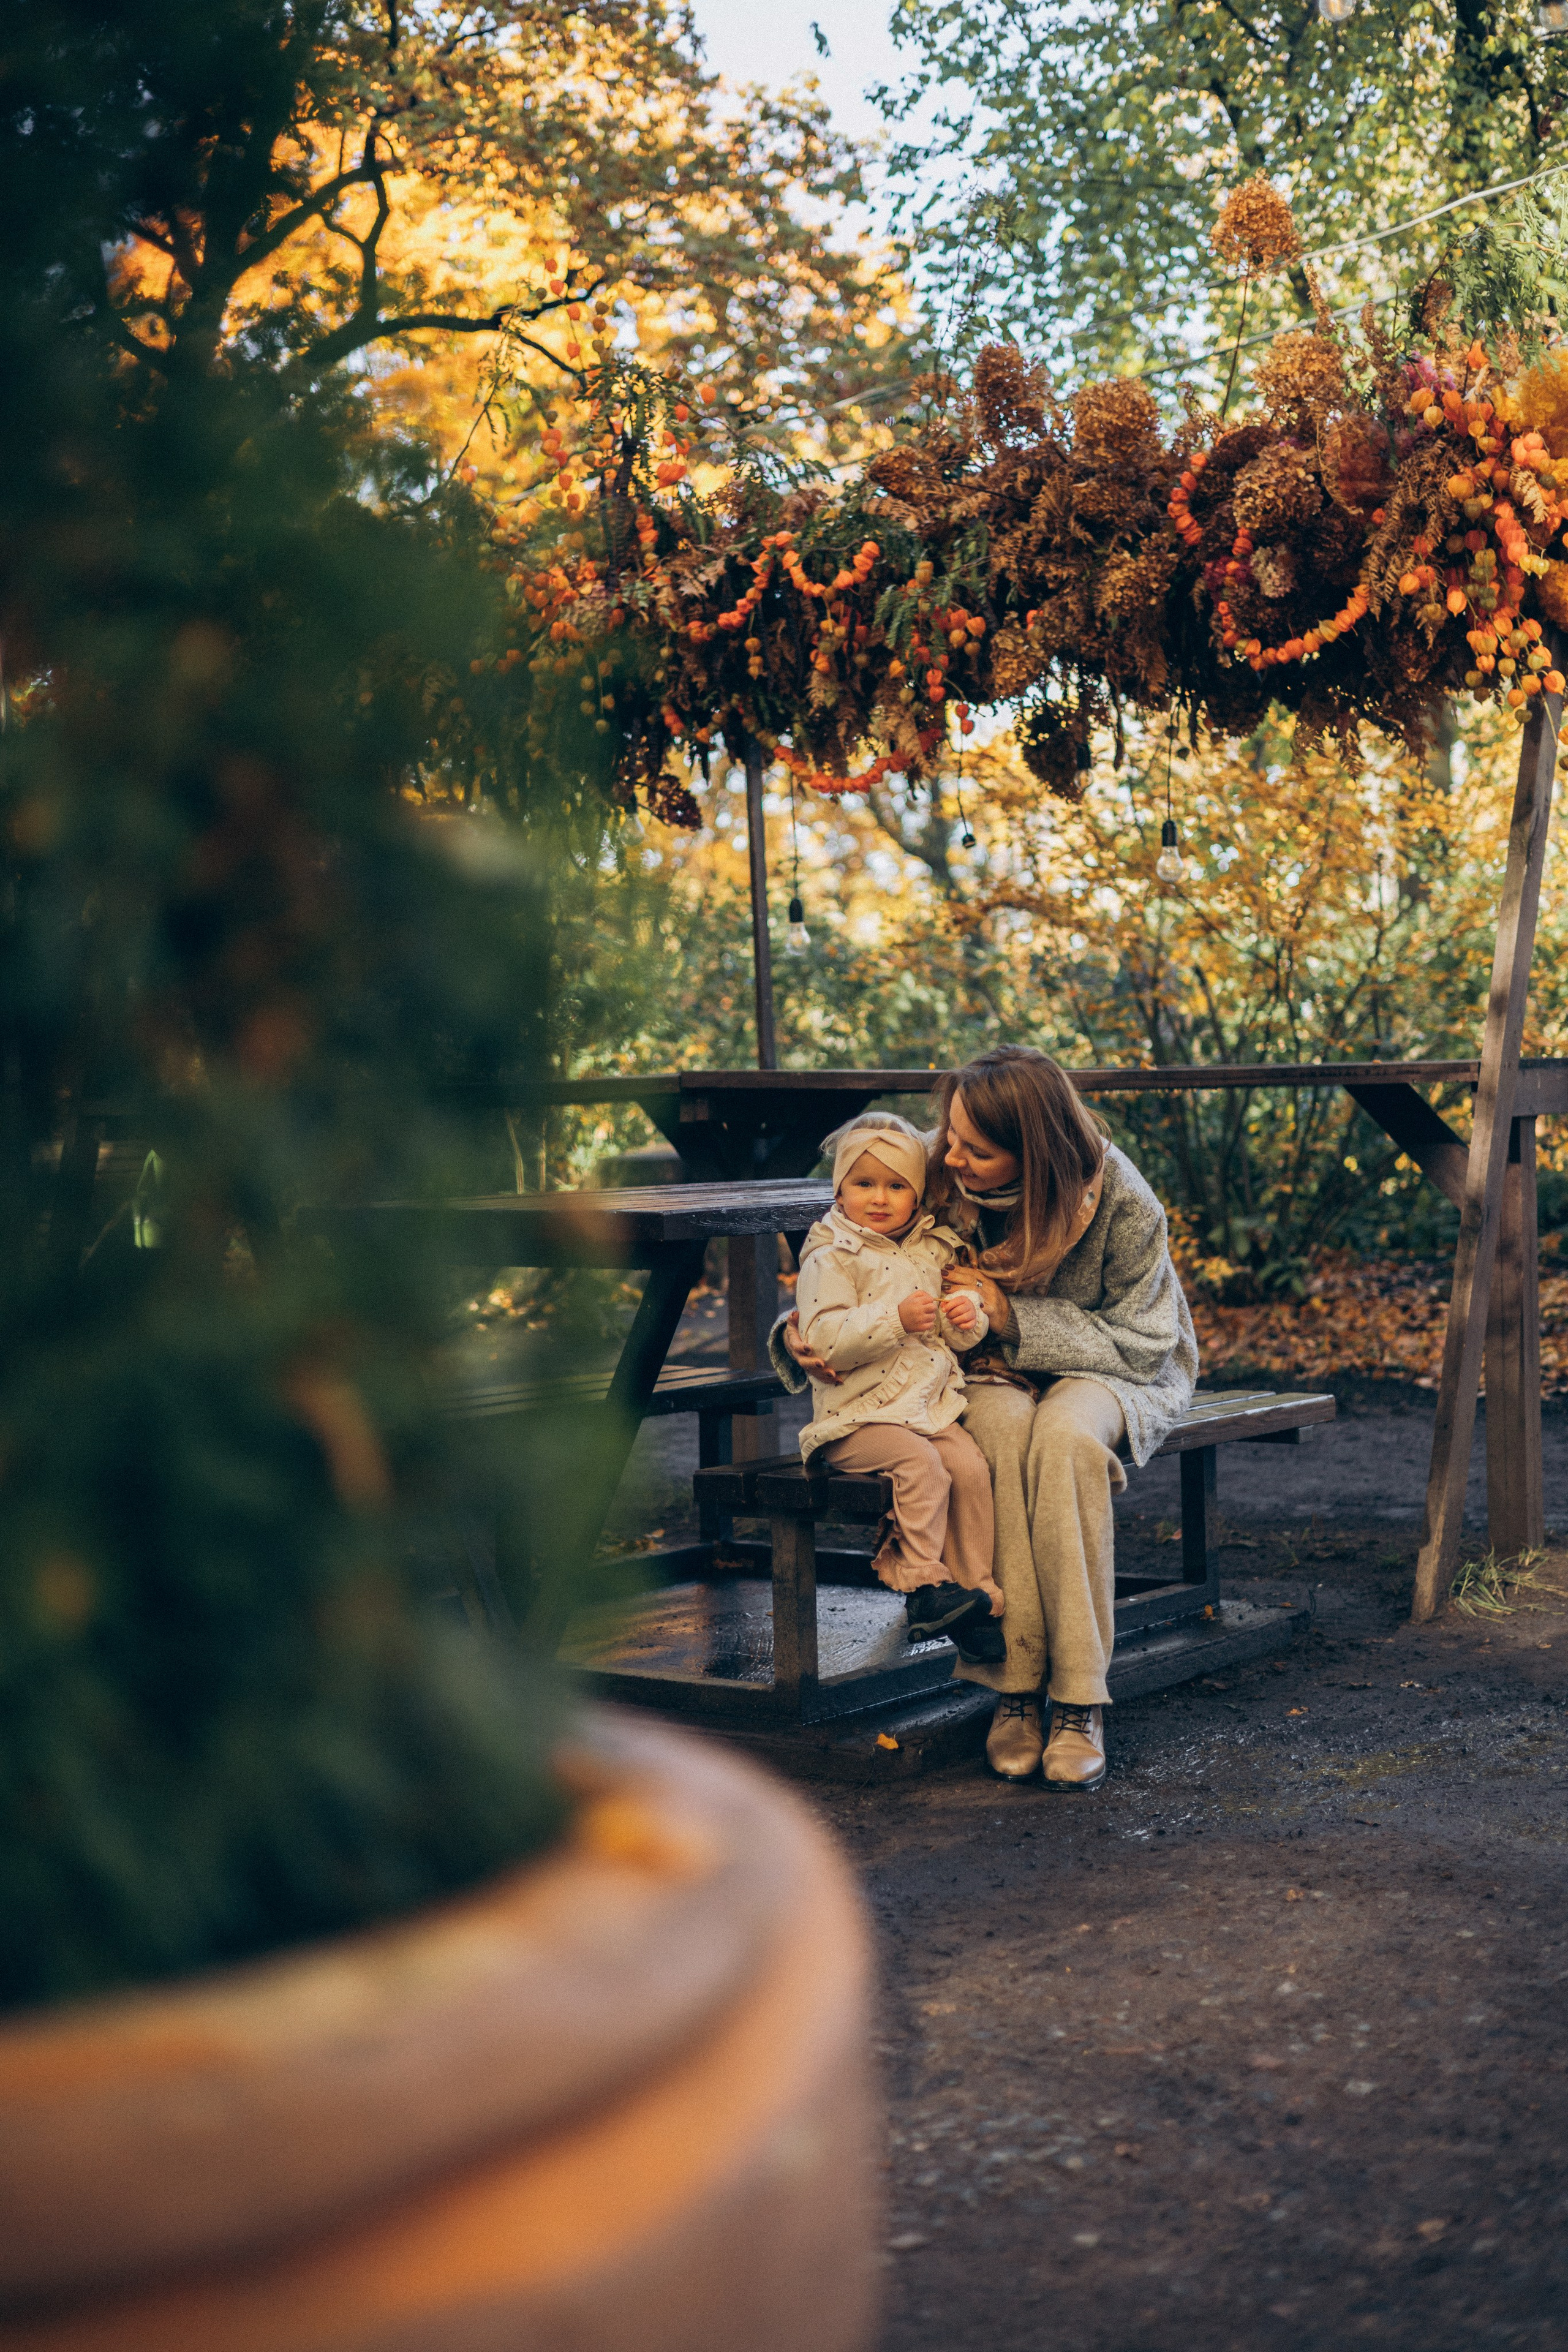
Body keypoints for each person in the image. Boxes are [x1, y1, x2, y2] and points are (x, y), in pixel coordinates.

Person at [773, 1047, 1196, 1789]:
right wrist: (797, 1331)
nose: (951, 1155)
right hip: (970, 1368)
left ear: (1034, 1151)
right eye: (950, 1134)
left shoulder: (1122, 1198)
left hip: (1108, 1368)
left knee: (1063, 1442)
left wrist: (1011, 1313)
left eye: (976, 1147)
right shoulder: (939, 1166)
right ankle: (1013, 1683)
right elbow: (855, 1251)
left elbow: (1144, 1340)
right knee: (997, 1436)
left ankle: (1077, 1697)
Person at [794, 1113, 1005, 1666]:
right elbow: (822, 1338)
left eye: (896, 1187)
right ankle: (922, 1586)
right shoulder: (832, 1255)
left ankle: (974, 1592)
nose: (879, 1199)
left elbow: (952, 1340)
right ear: (840, 1190)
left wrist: (968, 1317)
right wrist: (893, 1317)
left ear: (918, 1197)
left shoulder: (930, 1250)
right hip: (854, 1420)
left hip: (921, 1407)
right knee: (921, 1468)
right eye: (863, 1185)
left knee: (970, 1467)